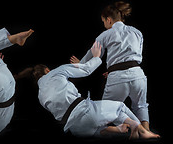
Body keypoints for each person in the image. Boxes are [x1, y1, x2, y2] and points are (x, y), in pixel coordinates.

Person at [30, 42, 159, 140]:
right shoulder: (56, 72)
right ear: (47, 70)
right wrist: (96, 57)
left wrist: (79, 64)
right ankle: (142, 131)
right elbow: (86, 70)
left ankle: (119, 129)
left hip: (75, 129)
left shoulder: (40, 96)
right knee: (120, 107)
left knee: (98, 128)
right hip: (87, 112)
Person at [70, 1, 150, 130]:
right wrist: (114, 68)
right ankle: (146, 131)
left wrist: (80, 63)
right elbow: (135, 57)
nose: (104, 25)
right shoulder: (137, 32)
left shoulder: (105, 35)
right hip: (138, 75)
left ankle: (115, 131)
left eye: (103, 22)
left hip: (118, 78)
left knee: (105, 110)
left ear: (109, 20)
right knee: (141, 105)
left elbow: (92, 54)